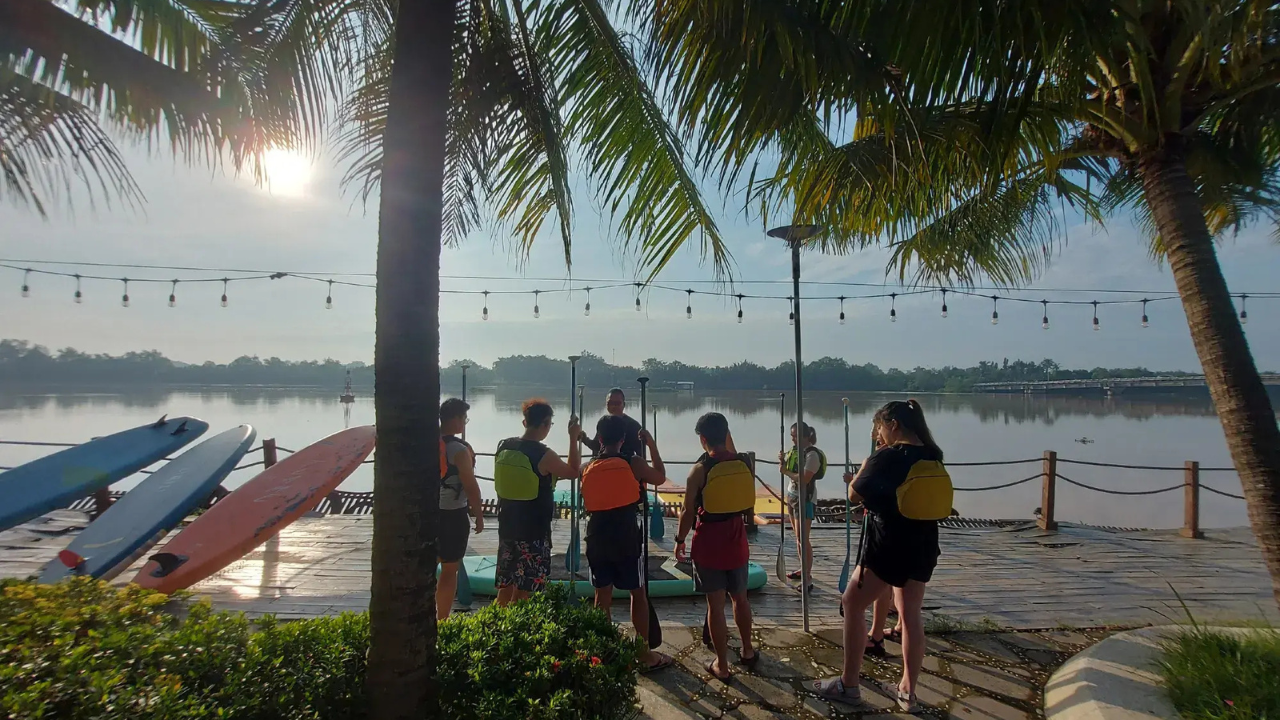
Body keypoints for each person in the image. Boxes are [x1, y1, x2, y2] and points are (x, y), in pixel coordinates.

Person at [813, 400, 950, 711]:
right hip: (925, 543)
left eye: (880, 427)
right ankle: (908, 690)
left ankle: (848, 685)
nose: (879, 433)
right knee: (911, 614)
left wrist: (865, 464)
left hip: (888, 544)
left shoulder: (887, 456)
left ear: (894, 425)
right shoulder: (933, 454)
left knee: (851, 602)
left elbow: (854, 494)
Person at [581, 414, 673, 672]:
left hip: (596, 536)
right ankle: (643, 654)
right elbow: (660, 477)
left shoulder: (586, 467)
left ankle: (603, 651)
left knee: (602, 596)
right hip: (626, 536)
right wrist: (652, 445)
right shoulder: (634, 462)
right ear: (623, 439)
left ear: (599, 438)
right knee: (638, 593)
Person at [675, 412, 758, 682]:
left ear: (702, 439)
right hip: (737, 540)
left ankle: (722, 665)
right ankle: (747, 650)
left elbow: (688, 512)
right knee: (741, 598)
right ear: (726, 434)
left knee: (715, 605)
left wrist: (679, 540)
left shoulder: (699, 470)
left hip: (709, 542)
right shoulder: (743, 462)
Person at [493, 399, 581, 606]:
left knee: (505, 587)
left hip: (507, 527)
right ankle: (516, 631)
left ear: (525, 422)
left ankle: (496, 626)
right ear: (544, 423)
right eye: (549, 425)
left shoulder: (504, 446)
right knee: (524, 590)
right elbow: (573, 472)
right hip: (533, 531)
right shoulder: (543, 454)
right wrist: (573, 438)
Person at [437, 398, 483, 620]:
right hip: (452, 515)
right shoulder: (458, 450)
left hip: (426, 513)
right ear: (455, 419)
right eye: (464, 418)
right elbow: (470, 485)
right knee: (449, 569)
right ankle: (442, 619)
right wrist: (479, 515)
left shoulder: (425, 443)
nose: (465, 423)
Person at [778, 421, 826, 588]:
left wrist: (786, 472)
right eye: (791, 436)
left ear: (806, 436)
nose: (793, 440)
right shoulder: (796, 452)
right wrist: (784, 462)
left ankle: (807, 576)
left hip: (805, 499)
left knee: (803, 539)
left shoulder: (812, 455)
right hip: (792, 496)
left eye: (795, 437)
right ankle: (803, 568)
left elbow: (805, 478)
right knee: (798, 539)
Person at [579, 388, 643, 458]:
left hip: (626, 466)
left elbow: (641, 453)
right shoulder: (604, 423)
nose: (614, 406)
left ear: (624, 405)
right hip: (603, 464)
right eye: (610, 403)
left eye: (617, 403)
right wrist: (584, 439)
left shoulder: (633, 426)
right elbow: (597, 446)